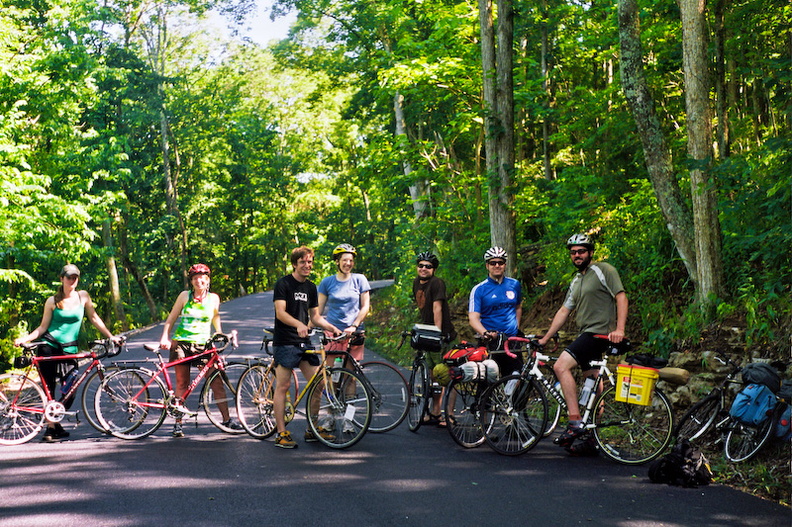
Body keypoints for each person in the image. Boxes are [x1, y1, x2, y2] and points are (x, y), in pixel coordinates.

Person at [537, 233, 628, 456]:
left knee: (561, 367)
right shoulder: (577, 280)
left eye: (581, 251)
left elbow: (621, 297)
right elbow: (564, 311)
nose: (577, 255)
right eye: (573, 252)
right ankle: (590, 437)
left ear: (590, 252)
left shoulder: (604, 270)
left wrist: (620, 330)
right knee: (593, 381)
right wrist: (546, 337)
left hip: (598, 334)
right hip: (586, 333)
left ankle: (574, 420)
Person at [14, 264, 121, 442]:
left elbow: (94, 318)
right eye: (69, 277)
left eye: (75, 277)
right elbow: (42, 327)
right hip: (49, 346)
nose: (72, 280)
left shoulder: (83, 296)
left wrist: (111, 336)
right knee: (49, 388)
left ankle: (55, 422)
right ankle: (50, 429)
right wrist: (25, 339)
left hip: (70, 349)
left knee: (71, 388)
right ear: (61, 278)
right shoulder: (52, 301)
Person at [159, 263, 242, 437]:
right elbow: (171, 318)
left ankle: (227, 420)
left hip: (204, 344)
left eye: (203, 277)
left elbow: (215, 318)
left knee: (216, 381)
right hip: (182, 343)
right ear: (191, 281)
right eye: (195, 278)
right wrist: (165, 337)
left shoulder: (214, 298)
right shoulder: (184, 296)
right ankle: (178, 424)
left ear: (208, 280)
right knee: (182, 384)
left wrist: (221, 334)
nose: (199, 281)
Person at [272, 246, 340, 449]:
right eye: (303, 262)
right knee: (283, 387)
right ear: (295, 264)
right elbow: (280, 313)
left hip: (304, 342)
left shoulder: (311, 287)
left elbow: (315, 317)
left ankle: (312, 428)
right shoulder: (283, 284)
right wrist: (298, 324)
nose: (307, 265)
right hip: (285, 340)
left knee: (318, 383)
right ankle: (281, 432)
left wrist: (332, 328)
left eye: (310, 262)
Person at [413, 251, 457, 425]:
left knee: (447, 375)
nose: (424, 269)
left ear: (434, 269)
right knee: (432, 376)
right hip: (427, 335)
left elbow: (437, 308)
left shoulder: (437, 283)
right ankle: (435, 411)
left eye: (428, 266)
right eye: (421, 265)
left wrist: (437, 333)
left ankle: (450, 414)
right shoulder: (416, 282)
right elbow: (422, 309)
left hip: (443, 335)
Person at [468, 247, 523, 376]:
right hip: (490, 342)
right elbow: (473, 318)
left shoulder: (514, 284)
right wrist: (485, 333)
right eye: (493, 263)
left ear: (505, 265)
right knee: (488, 381)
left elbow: (518, 307)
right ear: (487, 266)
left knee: (516, 378)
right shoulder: (479, 289)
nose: (497, 266)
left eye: (500, 262)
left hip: (512, 341)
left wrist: (516, 326)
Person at [317, 243, 371, 364]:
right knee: (331, 373)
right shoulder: (327, 282)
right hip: (333, 333)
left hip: (354, 333)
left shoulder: (360, 279)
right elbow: (317, 311)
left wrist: (354, 326)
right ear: (337, 261)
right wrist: (307, 327)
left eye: (351, 260)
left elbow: (365, 306)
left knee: (350, 376)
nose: (348, 263)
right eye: (345, 260)